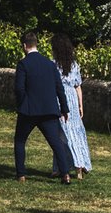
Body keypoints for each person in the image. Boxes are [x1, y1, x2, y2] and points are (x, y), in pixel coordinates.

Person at [14, 31, 73, 183]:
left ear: (24, 46)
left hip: (29, 110)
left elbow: (19, 88)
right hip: (49, 109)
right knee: (56, 143)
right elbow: (59, 88)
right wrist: (64, 109)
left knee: (20, 140)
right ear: (36, 44)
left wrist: (21, 104)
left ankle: (21, 174)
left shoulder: (23, 64)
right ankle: (65, 174)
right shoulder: (50, 65)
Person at [52, 33, 91, 179]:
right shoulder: (73, 64)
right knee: (75, 132)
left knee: (61, 134)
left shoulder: (53, 64)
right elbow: (77, 86)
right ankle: (78, 165)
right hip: (72, 99)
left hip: (60, 98)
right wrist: (80, 105)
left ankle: (63, 167)